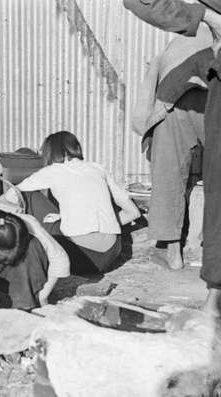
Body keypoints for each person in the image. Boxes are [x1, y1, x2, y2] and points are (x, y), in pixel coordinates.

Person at [123, 0, 221, 317]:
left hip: (173, 95)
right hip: (202, 89)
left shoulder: (199, 23)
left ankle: (173, 247)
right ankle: (208, 254)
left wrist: (205, 16)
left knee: (168, 170)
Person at [4, 131, 141, 274]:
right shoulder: (98, 168)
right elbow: (134, 213)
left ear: (52, 152)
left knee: (29, 195)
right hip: (111, 254)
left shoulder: (53, 170)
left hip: (81, 258)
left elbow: (11, 194)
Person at [131, 25, 212, 270]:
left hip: (174, 96)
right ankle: (213, 248)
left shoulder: (189, 31)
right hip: (212, 91)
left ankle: (173, 255)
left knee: (169, 173)